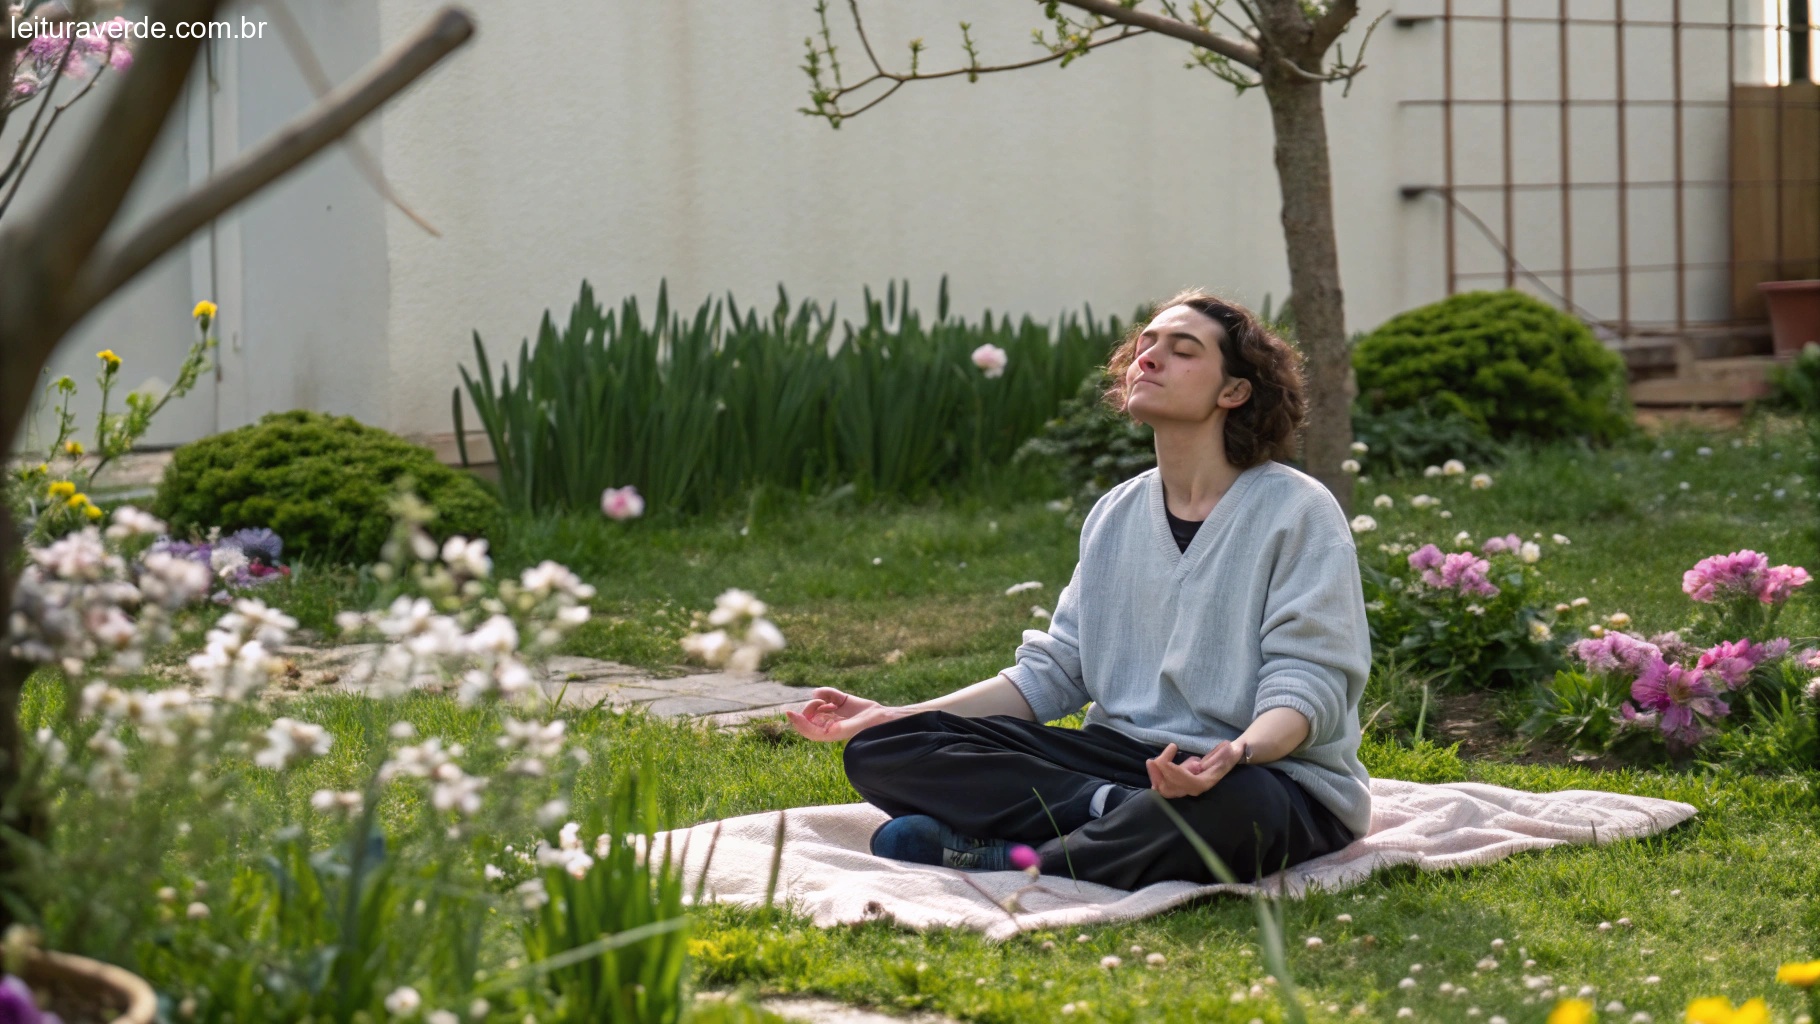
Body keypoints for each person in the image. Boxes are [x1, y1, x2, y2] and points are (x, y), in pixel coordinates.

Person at [785, 289, 1371, 890]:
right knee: (886, 748)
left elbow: (1309, 685)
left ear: (1234, 392)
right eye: (1146, 344)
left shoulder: (1297, 510)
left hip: (1266, 774)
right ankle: (1116, 819)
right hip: (1119, 766)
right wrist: (891, 715)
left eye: (1183, 350)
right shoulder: (1116, 512)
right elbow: (1055, 672)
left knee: (1241, 809)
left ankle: (1023, 859)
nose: (1148, 357)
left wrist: (1234, 754)